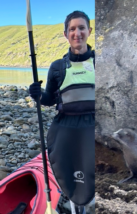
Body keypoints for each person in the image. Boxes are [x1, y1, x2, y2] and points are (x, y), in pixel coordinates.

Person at [29, 11, 95, 214]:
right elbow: (49, 100)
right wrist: (38, 94)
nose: (77, 33)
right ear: (66, 34)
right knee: (71, 176)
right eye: (72, 29)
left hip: (93, 127)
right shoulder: (58, 67)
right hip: (66, 127)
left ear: (89, 31)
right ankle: (75, 206)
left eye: (81, 28)